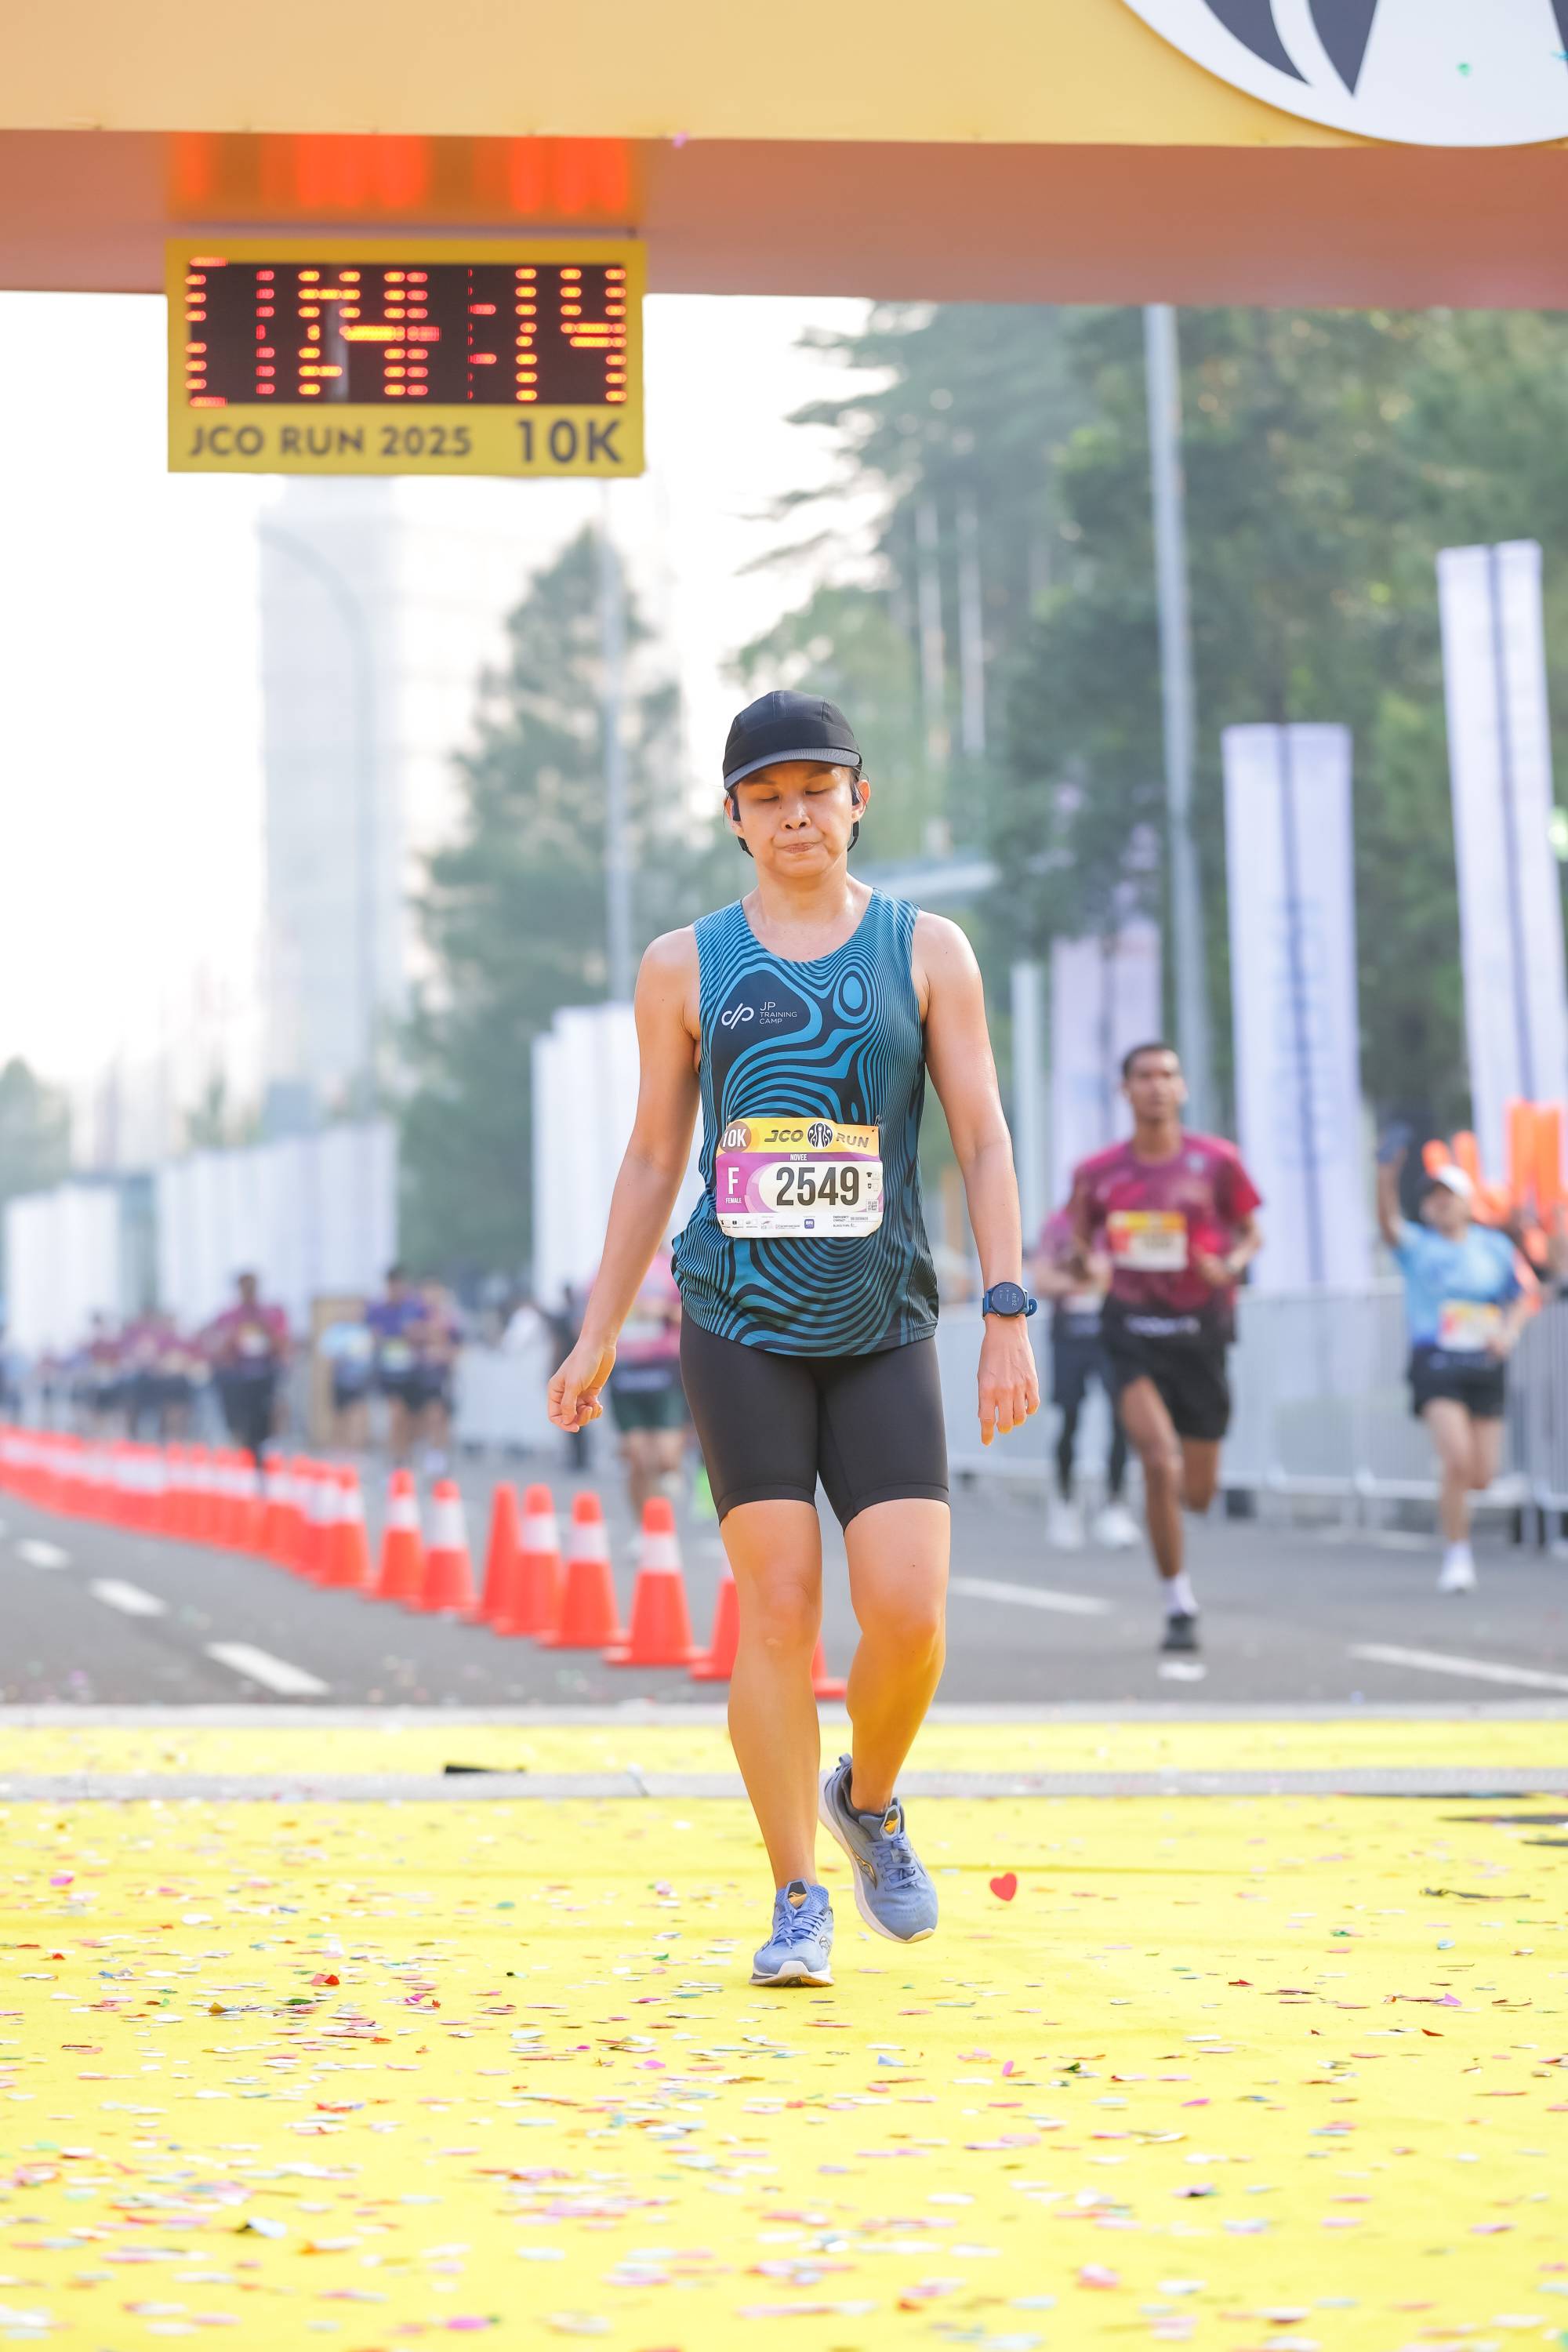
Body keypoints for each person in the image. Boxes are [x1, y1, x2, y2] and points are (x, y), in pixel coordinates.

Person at [549, 689, 1039, 1990]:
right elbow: (654, 1157)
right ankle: (796, 1896)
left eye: (817, 789)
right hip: (738, 1318)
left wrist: (1007, 1307)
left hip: (881, 1320)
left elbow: (983, 1138)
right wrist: (599, 1328)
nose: (796, 815)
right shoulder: (686, 965)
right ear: (733, 817)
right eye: (766, 798)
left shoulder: (928, 951)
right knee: (778, 1608)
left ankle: (866, 1800)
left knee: (909, 1614)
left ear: (858, 798)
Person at [1069, 1042, 1262, 1657]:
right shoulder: (1098, 1172)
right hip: (1130, 1331)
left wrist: (1230, 1264)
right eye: (1145, 1076)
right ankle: (1178, 1603)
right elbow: (1077, 1240)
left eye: (1167, 1075)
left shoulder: (1218, 1161)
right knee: (1157, 1459)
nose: (1157, 1086)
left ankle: (1169, 1506)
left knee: (1196, 1492)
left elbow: (1251, 1232)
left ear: (1183, 1088)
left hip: (1200, 1332)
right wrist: (1089, 1263)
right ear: (1125, 1090)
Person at [1377, 1141, 1531, 1593]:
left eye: (1448, 1195)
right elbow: (1387, 1223)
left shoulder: (1494, 1247)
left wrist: (1509, 1332)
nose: (1440, 1203)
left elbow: (1522, 1297)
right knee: (1458, 1460)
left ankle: (1452, 1484)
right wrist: (1386, 1176)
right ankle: (1458, 1554)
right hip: (1436, 1361)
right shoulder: (1417, 1246)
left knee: (1481, 1475)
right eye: (1433, 1196)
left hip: (1484, 1362)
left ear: (1466, 1202)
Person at [1029, 1205, 1136, 1551]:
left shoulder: (1117, 1224)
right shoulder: (1057, 1226)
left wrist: (1103, 1276)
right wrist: (1085, 1278)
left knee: (1122, 1418)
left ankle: (1115, 1504)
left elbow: (1130, 1278)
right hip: (1069, 1338)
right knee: (1069, 1419)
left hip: (1112, 1337)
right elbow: (1042, 1280)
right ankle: (1065, 1501)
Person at [604, 1249, 689, 1516]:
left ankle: (664, 1508)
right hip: (625, 1372)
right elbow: (586, 1316)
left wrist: (662, 1311)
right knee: (637, 1458)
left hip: (664, 1370)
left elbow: (697, 1313)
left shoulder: (676, 1266)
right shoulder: (608, 1267)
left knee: (665, 1456)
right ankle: (645, 1525)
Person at [204, 1272, 289, 1465]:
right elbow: (217, 1348)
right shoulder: (228, 1316)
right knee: (236, 1412)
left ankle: (267, 1446)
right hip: (236, 1376)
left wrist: (266, 1329)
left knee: (269, 1409)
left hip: (265, 1373)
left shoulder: (272, 1314)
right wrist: (233, 1336)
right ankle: (239, 1447)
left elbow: (283, 1344)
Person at [367, 1266, 426, 1465]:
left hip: (412, 1371)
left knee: (411, 1418)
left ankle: (406, 1452)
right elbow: (371, 1337)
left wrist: (416, 1334)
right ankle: (396, 1457)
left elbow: (426, 1333)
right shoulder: (377, 1310)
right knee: (396, 1412)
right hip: (388, 1371)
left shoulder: (415, 1308)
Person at [412, 1278, 463, 1476]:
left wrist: (443, 1354)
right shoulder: (416, 1318)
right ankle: (428, 1453)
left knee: (439, 1416)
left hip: (440, 1377)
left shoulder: (449, 1320)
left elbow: (457, 1348)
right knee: (422, 1418)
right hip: (418, 1377)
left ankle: (437, 1456)